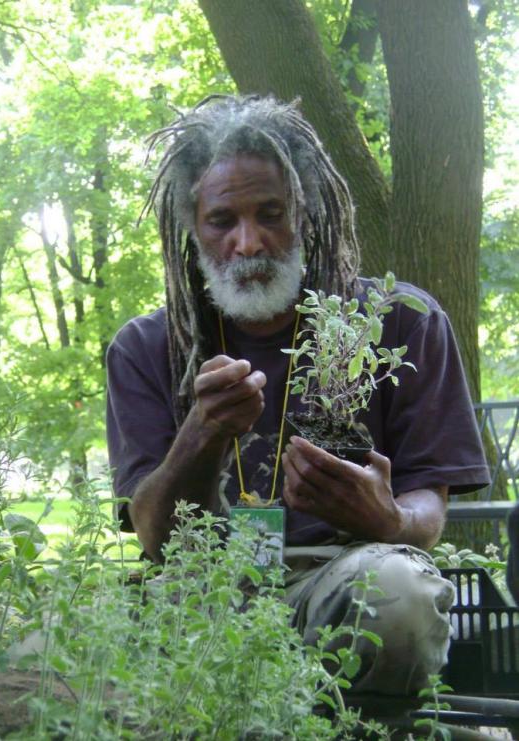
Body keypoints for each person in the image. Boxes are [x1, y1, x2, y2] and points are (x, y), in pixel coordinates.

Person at [106, 95, 490, 694]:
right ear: (193, 227)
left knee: (399, 598)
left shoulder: (401, 321)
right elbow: (154, 537)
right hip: (205, 589)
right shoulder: (144, 347)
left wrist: (388, 519)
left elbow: (428, 514)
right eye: (222, 221)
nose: (249, 242)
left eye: (271, 213)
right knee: (55, 636)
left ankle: (362, 728)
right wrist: (202, 434)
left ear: (305, 212)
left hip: (345, 574)